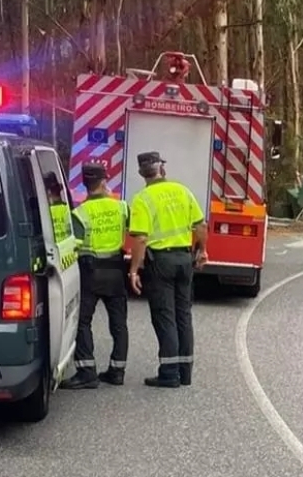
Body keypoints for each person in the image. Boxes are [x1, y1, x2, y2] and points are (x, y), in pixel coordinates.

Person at [127, 151, 207, 388]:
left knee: (164, 316)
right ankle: (185, 372)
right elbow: (201, 225)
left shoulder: (142, 199)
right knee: (183, 314)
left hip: (161, 262)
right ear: (162, 168)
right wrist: (201, 251)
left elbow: (141, 239)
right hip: (184, 259)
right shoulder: (182, 191)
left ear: (142, 173)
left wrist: (133, 270)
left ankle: (169, 373)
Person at [60, 162, 131, 390]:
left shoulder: (79, 213)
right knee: (119, 323)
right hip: (116, 271)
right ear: (104, 181)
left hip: (90, 273)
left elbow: (73, 246)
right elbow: (136, 231)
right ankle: (117, 370)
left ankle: (87, 371)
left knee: (83, 322)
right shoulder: (121, 207)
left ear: (84, 183)